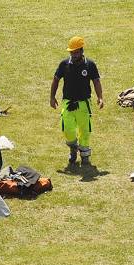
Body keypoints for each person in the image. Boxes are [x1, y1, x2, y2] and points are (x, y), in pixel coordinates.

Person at [50, 36, 104, 167]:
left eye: (76, 52)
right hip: (68, 102)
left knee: (85, 131)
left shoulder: (90, 65)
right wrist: (52, 97)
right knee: (67, 128)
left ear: (81, 51)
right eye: (71, 52)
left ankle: (85, 156)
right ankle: (73, 148)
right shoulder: (64, 64)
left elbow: (96, 81)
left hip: (84, 104)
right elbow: (56, 79)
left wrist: (100, 97)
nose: (73, 54)